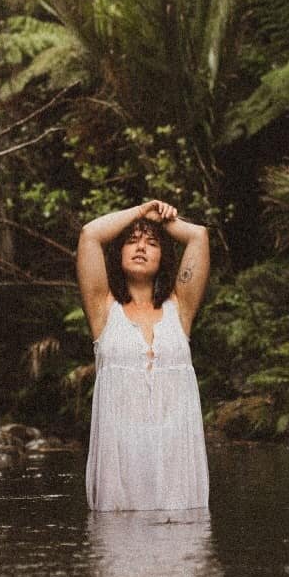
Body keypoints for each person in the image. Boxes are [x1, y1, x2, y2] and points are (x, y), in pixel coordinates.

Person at [77, 199, 210, 511]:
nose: (141, 248)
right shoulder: (102, 308)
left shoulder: (180, 308)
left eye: (151, 243)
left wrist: (163, 221)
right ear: (118, 252)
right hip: (120, 461)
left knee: (182, 546)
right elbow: (89, 235)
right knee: (120, 543)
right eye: (131, 241)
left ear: (163, 256)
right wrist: (140, 212)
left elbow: (199, 237)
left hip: (175, 458)